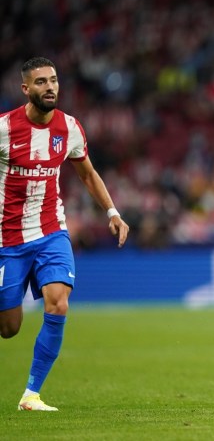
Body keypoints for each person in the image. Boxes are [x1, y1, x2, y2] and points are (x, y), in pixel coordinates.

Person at [0, 57, 129, 411]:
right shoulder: (5, 128)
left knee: (58, 301)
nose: (50, 87)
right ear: (25, 88)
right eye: (41, 82)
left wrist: (112, 212)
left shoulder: (69, 127)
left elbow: (87, 173)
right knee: (8, 328)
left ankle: (31, 394)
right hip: (8, 239)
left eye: (54, 80)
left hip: (51, 232)